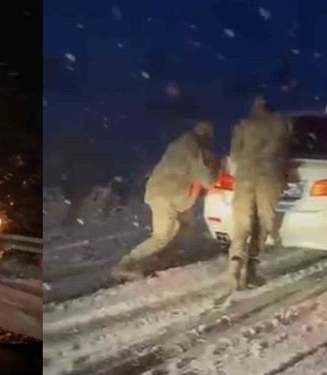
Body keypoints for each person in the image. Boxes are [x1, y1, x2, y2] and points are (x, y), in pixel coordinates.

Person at [117, 121, 217, 271]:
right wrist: (215, 171)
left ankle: (159, 260)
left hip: (160, 191)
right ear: (205, 136)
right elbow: (207, 180)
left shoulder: (178, 144)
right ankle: (127, 264)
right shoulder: (194, 150)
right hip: (166, 196)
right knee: (161, 237)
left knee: (177, 227)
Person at [228, 96, 293, 290]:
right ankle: (252, 268)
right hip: (270, 176)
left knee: (242, 222)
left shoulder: (243, 125)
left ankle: (235, 263)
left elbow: (235, 154)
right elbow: (287, 148)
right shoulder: (281, 122)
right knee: (264, 221)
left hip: (246, 176)